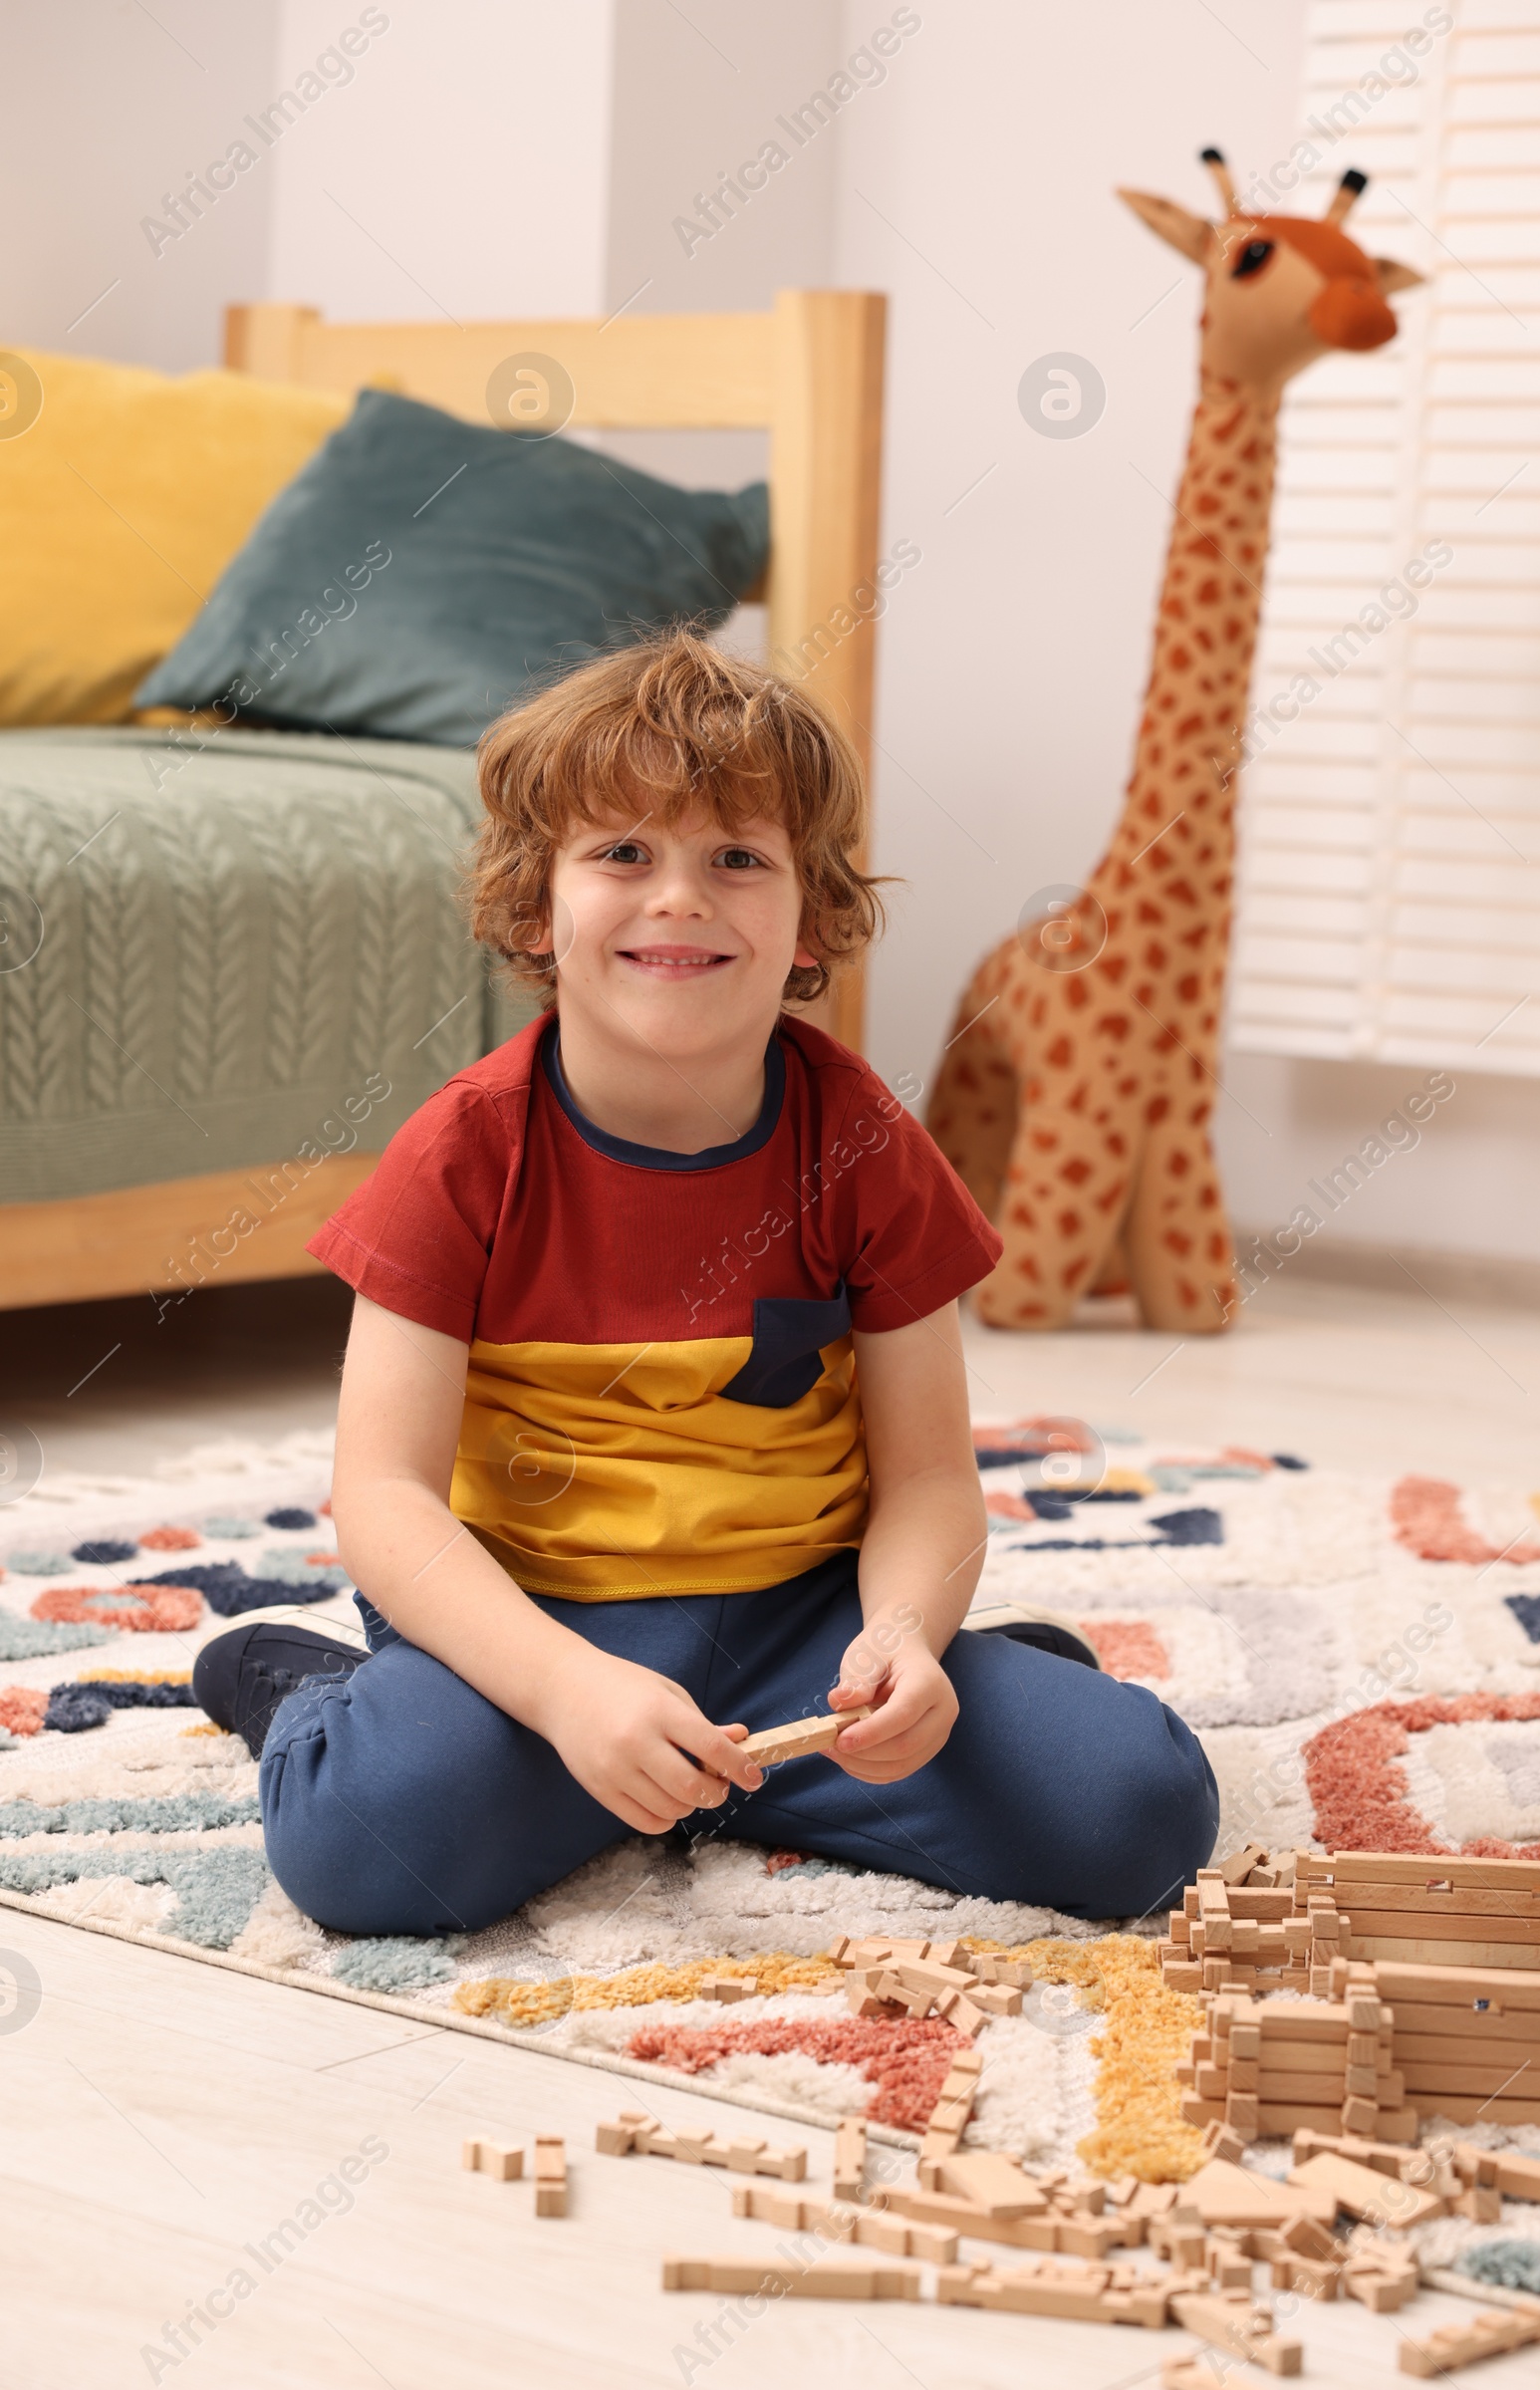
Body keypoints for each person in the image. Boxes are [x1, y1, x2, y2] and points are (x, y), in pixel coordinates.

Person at [195, 630, 1217, 1935]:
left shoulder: (865, 1144)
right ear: (534, 905)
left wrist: (902, 1637)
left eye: (737, 858)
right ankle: (299, 1682)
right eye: (623, 854)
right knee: (365, 1854)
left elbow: (926, 1479)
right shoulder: (463, 1152)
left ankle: (861, 1721)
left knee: (1142, 1815)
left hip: (805, 1625)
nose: (680, 897)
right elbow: (383, 1496)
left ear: (814, 921)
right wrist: (569, 1695)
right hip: (534, 1629)